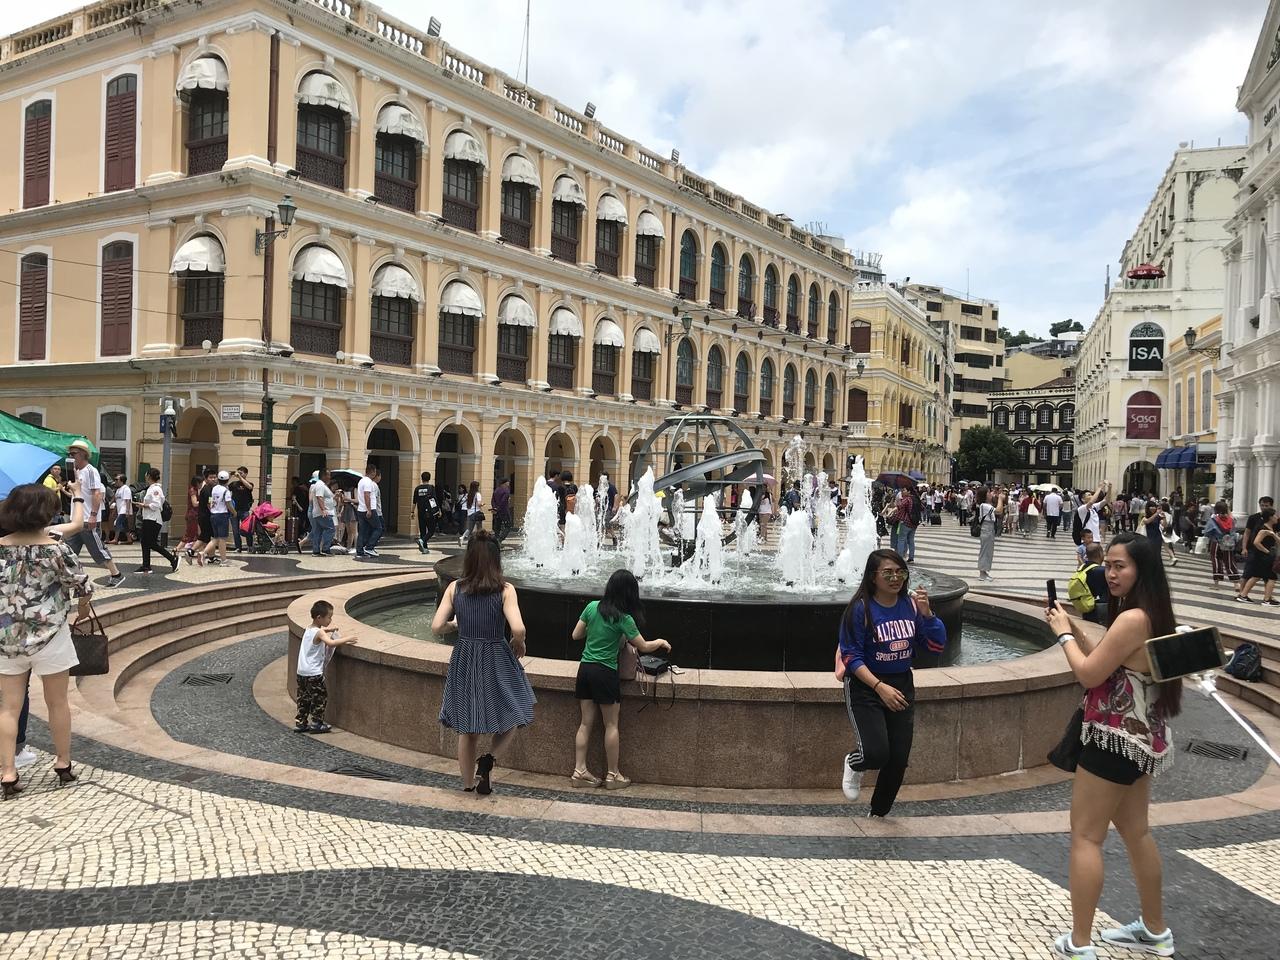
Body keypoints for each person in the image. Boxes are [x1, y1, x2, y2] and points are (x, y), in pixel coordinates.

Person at [1045, 532, 1181, 960]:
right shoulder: (1154, 613)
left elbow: (1088, 675)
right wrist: (1077, 632)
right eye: (1108, 565)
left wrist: (1063, 636)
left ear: (1143, 569)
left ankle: (1080, 943)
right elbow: (1110, 662)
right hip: (1142, 741)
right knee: (1137, 833)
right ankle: (1155, 931)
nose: (1111, 573)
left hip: (1113, 739)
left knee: (1086, 837)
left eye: (1120, 566)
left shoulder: (1131, 618)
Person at [0, 482, 94, 799]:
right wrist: (82, 609)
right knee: (57, 702)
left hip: (7, 638)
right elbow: (82, 585)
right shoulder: (55, 549)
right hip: (50, 635)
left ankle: (8, 771)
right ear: (47, 513)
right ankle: (63, 763)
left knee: (9, 707)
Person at [837, 548, 946, 817]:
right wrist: (878, 687)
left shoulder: (911, 606)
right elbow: (851, 657)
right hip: (866, 685)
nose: (895, 578)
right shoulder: (860, 609)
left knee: (898, 758)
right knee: (875, 754)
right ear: (873, 577)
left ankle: (878, 813)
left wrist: (928, 615)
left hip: (901, 683)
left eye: (900, 572)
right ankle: (854, 762)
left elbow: (935, 646)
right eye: (888, 573)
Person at [432, 531, 536, 794]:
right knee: (516, 710)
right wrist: (519, 643)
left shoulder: (455, 588)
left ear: (469, 558)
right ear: (496, 559)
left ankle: (468, 786)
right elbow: (519, 628)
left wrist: (454, 625)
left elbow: (436, 626)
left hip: (465, 656)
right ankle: (489, 759)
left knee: (468, 729)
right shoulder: (505, 590)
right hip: (495, 656)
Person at [570, 569, 671, 789]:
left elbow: (576, 635)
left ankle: (579, 771)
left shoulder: (592, 607)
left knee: (585, 723)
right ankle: (613, 775)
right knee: (611, 724)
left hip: (585, 669)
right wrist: (661, 642)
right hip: (605, 673)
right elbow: (643, 646)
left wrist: (595, 630)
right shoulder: (624, 618)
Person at [61, 441, 125, 587]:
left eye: (73, 453)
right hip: (77, 519)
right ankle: (69, 577)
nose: (71, 456)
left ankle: (116, 574)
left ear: (83, 454)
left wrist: (93, 515)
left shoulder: (90, 471)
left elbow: (97, 493)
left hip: (87, 519)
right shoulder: (77, 472)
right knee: (69, 550)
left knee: (98, 548)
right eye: (69, 454)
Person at [295, 599, 358, 733]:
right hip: (314, 674)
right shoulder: (320, 633)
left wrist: (329, 629)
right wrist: (348, 639)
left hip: (301, 672)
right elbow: (330, 643)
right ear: (319, 617)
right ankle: (317, 723)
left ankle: (301, 722)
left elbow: (319, 632)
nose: (330, 620)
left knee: (303, 699)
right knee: (319, 698)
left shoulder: (309, 629)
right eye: (329, 617)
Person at [137, 468, 179, 574]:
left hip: (153, 519)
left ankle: (172, 559)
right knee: (144, 542)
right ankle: (146, 565)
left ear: (148, 476)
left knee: (151, 543)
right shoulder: (151, 488)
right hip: (148, 518)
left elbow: (156, 504)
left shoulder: (156, 489)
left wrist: (144, 505)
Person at [1236, 507, 1278, 605]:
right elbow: (1256, 542)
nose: (1277, 517)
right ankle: (1265, 599)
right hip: (1263, 556)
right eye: (1275, 515)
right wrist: (1267, 552)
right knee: (1269, 577)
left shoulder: (1271, 529)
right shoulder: (1264, 529)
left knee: (1258, 576)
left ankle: (1245, 595)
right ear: (1270, 517)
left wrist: (1274, 535)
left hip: (1265, 556)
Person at [1203, 500, 1240, 585]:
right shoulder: (1231, 520)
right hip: (1228, 543)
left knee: (1216, 559)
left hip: (1216, 542)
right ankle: (1236, 583)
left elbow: (1207, 532)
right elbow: (1234, 533)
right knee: (1229, 561)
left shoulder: (1213, 520)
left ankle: (1216, 583)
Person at [201, 470, 233, 565]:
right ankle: (223, 560)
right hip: (222, 515)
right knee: (222, 539)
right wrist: (234, 512)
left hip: (213, 515)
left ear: (218, 479)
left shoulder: (214, 489)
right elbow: (228, 504)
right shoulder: (226, 491)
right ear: (227, 480)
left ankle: (203, 553)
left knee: (215, 538)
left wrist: (211, 507)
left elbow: (210, 500)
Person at [354, 464, 383, 559]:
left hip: (361, 509)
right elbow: (367, 495)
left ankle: (360, 551)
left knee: (362, 531)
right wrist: (369, 509)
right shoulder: (368, 482)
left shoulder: (361, 481)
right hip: (369, 509)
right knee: (379, 528)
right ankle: (369, 547)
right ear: (373, 472)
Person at [188, 468, 216, 565]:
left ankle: (211, 558)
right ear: (206, 479)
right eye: (211, 477)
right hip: (206, 517)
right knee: (205, 537)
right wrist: (215, 513)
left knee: (206, 537)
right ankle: (191, 551)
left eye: (214, 477)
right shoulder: (207, 490)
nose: (213, 479)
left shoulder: (208, 489)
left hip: (203, 516)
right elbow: (209, 505)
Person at [975, 486, 1003, 581]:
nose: (991, 494)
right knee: (985, 551)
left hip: (990, 528)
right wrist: (1000, 499)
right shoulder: (984, 505)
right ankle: (982, 573)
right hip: (986, 528)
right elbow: (998, 511)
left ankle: (985, 571)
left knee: (988, 551)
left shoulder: (987, 505)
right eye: (988, 492)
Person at [308, 469, 336, 556]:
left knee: (318, 531)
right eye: (328, 475)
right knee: (330, 529)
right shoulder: (320, 485)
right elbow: (319, 497)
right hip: (323, 513)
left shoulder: (322, 485)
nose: (330, 477)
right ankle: (325, 549)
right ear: (323, 476)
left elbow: (327, 497)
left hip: (318, 512)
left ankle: (316, 550)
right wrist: (323, 510)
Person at [1140, 502, 1177, 567]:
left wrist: (1164, 517)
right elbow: (1147, 521)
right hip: (1148, 536)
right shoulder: (1145, 516)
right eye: (1151, 506)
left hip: (1157, 536)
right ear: (1148, 507)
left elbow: (1164, 525)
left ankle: (1156, 566)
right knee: (1149, 552)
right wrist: (1156, 514)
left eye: (1154, 506)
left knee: (1157, 553)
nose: (1153, 508)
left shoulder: (1158, 517)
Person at [412, 471, 440, 552]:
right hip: (429, 512)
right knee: (431, 530)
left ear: (422, 478)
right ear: (429, 478)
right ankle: (422, 541)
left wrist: (412, 512)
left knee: (422, 531)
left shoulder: (417, 488)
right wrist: (438, 510)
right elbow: (434, 500)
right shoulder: (431, 488)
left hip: (420, 512)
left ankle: (424, 548)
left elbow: (414, 502)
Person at [228, 467, 254, 554]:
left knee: (247, 529)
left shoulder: (249, 483)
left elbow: (249, 487)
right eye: (238, 473)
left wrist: (240, 477)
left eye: (241, 473)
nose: (239, 474)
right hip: (234, 510)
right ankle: (238, 547)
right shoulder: (234, 484)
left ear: (246, 474)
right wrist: (230, 476)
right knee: (235, 530)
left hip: (244, 510)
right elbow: (225, 486)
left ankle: (250, 546)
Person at [894, 488, 920, 562]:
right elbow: (922, 508)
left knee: (901, 539)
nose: (902, 492)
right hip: (914, 523)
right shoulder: (916, 499)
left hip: (906, 522)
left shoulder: (907, 499)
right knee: (911, 540)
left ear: (909, 491)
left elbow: (899, 506)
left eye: (904, 490)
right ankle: (911, 558)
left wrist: (896, 502)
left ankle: (900, 558)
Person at [110, 474, 133, 545]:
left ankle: (115, 539)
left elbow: (128, 500)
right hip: (120, 510)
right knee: (125, 525)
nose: (115, 481)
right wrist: (114, 511)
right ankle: (129, 539)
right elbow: (117, 501)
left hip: (124, 510)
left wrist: (127, 511)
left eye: (117, 480)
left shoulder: (126, 489)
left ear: (122, 481)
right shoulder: (118, 490)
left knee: (118, 523)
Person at [460, 480, 485, 546]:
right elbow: (479, 504)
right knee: (479, 528)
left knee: (469, 529)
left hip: (470, 513)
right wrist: (482, 504)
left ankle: (462, 537)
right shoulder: (477, 494)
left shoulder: (469, 494)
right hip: (476, 513)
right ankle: (479, 541)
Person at [492, 478, 513, 542]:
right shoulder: (506, 490)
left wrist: (495, 508)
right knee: (508, 526)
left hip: (497, 511)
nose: (509, 483)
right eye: (508, 482)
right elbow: (503, 501)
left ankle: (496, 538)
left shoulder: (496, 490)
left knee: (497, 526)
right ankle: (500, 539)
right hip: (504, 511)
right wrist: (499, 508)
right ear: (506, 483)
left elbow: (493, 500)